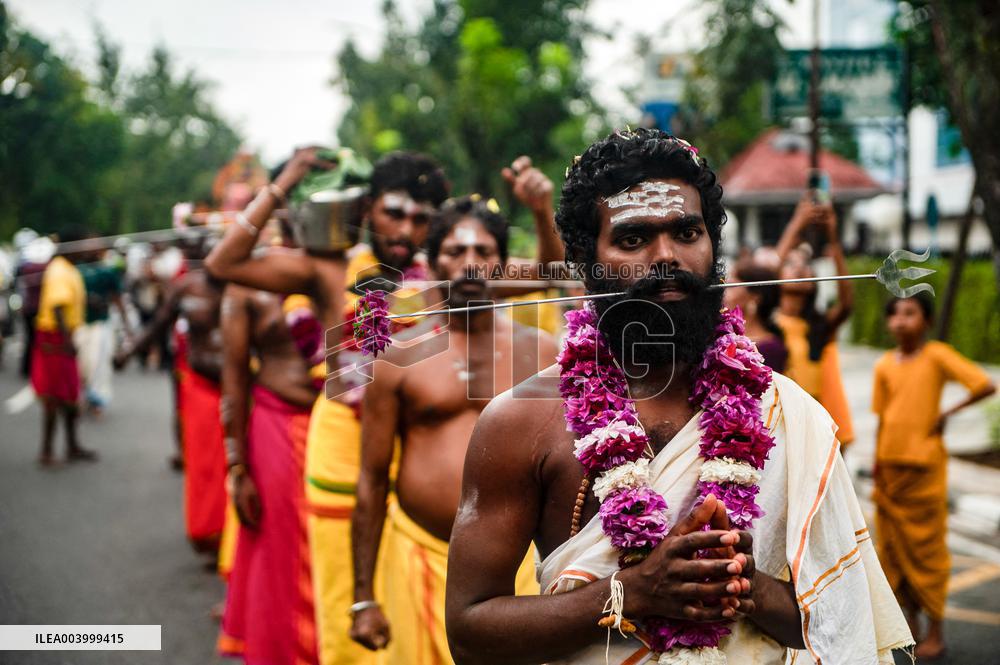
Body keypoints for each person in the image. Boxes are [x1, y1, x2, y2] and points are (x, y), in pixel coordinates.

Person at [444, 129, 911, 664]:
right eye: (633, 238)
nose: (666, 257)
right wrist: (636, 592)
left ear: (713, 246)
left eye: (687, 232)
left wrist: (743, 585)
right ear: (583, 258)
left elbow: (841, 623)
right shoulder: (521, 422)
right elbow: (470, 631)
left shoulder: (785, 412)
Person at [349, 197, 558, 664]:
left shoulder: (545, 353)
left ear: (503, 264)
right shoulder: (396, 357)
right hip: (418, 557)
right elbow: (371, 479)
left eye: (484, 252)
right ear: (431, 261)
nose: (470, 264)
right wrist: (363, 597)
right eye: (454, 251)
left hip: (521, 567)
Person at [872, 293, 996, 660]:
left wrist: (946, 414)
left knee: (928, 555)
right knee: (893, 554)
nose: (900, 321)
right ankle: (910, 626)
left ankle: (937, 632)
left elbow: (984, 384)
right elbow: (882, 419)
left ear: (925, 321)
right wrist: (877, 466)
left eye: (909, 314)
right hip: (890, 473)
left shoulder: (937, 355)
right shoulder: (883, 365)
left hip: (924, 472)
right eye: (894, 314)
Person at [216, 253, 322, 663]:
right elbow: (234, 376)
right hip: (278, 426)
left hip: (342, 429)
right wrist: (237, 466)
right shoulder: (246, 284)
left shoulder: (354, 274)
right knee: (279, 552)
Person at [116, 251, 228, 553]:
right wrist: (128, 352)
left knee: (236, 465)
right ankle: (212, 532)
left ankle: (231, 539)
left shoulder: (247, 283)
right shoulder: (187, 286)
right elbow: (158, 325)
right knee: (207, 464)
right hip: (203, 386)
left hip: (244, 388)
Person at [774, 197, 855, 446]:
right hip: (777, 424)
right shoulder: (767, 323)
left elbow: (846, 303)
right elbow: (765, 272)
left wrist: (833, 236)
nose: (798, 269)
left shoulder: (818, 325)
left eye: (805, 265)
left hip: (812, 427)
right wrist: (798, 222)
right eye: (790, 264)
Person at [32, 228, 97, 465]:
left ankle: (72, 445)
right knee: (54, 395)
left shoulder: (67, 268)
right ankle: (47, 450)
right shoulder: (60, 269)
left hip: (64, 336)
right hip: (56, 338)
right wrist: (68, 341)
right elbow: (58, 306)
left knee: (70, 393)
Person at [75, 241, 129, 414]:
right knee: (82, 363)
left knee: (99, 363)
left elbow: (117, 298)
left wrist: (127, 327)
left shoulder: (107, 272)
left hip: (101, 323)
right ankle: (82, 395)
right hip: (80, 323)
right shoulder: (77, 270)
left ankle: (97, 400)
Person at [723, 259, 787, 372]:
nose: (724, 293)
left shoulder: (771, 348)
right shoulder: (719, 336)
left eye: (731, 286)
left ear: (754, 297)